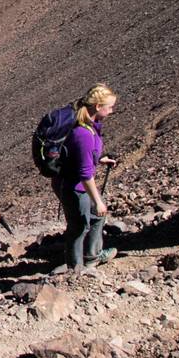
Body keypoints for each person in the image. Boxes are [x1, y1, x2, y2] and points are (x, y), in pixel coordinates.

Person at [57, 85, 120, 272]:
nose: (112, 110)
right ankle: (75, 269)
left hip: (78, 185)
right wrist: (97, 200)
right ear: (98, 106)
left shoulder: (90, 128)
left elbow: (83, 156)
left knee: (97, 218)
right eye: (109, 107)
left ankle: (92, 256)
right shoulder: (83, 133)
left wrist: (100, 159)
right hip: (75, 188)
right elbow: (85, 174)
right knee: (79, 227)